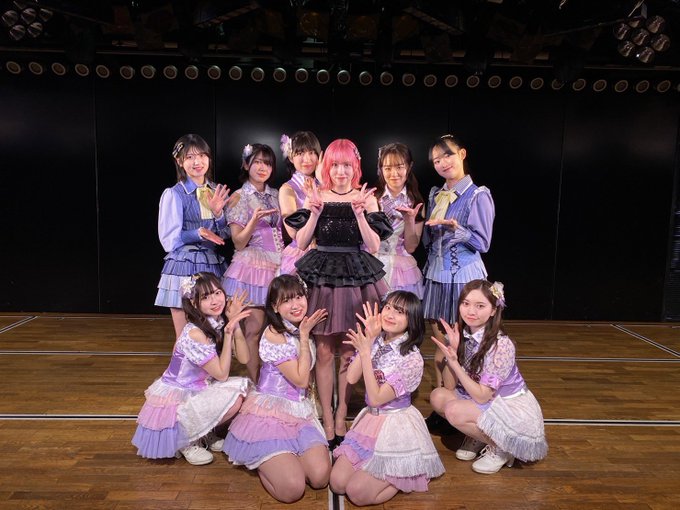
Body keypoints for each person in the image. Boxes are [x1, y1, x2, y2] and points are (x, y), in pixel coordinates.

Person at [285, 138, 393, 448]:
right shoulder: (316, 195)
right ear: (327, 167)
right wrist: (314, 212)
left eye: (346, 165)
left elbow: (374, 245)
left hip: (355, 277)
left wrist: (359, 214)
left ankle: (342, 413)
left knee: (348, 351)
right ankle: (328, 419)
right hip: (323, 277)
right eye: (335, 165)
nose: (341, 171)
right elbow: (301, 243)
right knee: (323, 351)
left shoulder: (366, 198)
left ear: (355, 166)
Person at [223, 275, 331, 503]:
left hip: (299, 412)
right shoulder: (274, 335)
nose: (296, 305)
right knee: (292, 490)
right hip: (270, 414)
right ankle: (264, 460)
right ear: (275, 307)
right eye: (287, 300)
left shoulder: (300, 326)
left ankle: (287, 460)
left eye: (299, 297)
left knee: (320, 478)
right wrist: (304, 336)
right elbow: (301, 380)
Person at [331, 292, 445, 506]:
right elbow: (352, 377)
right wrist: (368, 340)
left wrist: (366, 354)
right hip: (370, 422)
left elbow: (376, 399)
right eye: (388, 307)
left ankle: (405, 474)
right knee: (337, 483)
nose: (390, 314)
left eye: (400, 312)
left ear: (412, 320)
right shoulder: (376, 340)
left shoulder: (412, 359)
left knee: (357, 493)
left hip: (395, 425)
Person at [429, 279, 548, 474]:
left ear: (493, 310)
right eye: (466, 303)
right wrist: (452, 354)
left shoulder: (501, 345)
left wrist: (455, 363)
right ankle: (480, 436)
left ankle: (501, 448)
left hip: (507, 406)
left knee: (454, 411)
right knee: (438, 396)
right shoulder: (462, 335)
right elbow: (449, 386)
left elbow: (483, 396)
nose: (471, 311)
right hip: (482, 399)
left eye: (480, 306)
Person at [132, 272, 251, 465]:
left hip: (199, 387)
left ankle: (203, 432)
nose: (215, 301)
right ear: (194, 304)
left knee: (241, 394)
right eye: (206, 297)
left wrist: (235, 324)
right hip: (180, 395)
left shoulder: (215, 322)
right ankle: (187, 440)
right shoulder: (195, 333)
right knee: (236, 397)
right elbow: (222, 374)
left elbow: (244, 359)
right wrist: (229, 333)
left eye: (217, 293)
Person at [421, 133, 495, 431]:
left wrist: (457, 229)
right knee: (440, 345)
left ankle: (458, 407)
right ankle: (442, 406)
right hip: (436, 276)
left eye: (447, 155)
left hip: (463, 278)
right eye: (436, 160)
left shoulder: (478, 195)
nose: (442, 163)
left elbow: (483, 242)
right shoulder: (435, 194)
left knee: (460, 347)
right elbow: (429, 240)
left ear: (462, 154)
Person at [155, 134, 231, 338]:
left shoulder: (216, 191)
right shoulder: (174, 193)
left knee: (213, 333)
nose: (197, 162)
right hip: (183, 265)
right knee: (184, 336)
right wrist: (197, 233)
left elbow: (225, 234)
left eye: (202, 155)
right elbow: (169, 239)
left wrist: (218, 215)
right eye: (190, 157)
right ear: (179, 161)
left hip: (212, 263)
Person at [222, 143, 283, 381]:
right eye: (257, 162)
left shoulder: (276, 194)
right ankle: (256, 383)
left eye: (267, 163)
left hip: (279, 265)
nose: (262, 167)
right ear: (246, 165)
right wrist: (253, 221)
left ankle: (273, 381)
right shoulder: (239, 197)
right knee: (254, 329)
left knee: (276, 330)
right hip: (252, 268)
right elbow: (238, 242)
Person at [374, 143, 425, 298]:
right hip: (372, 263)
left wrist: (409, 220)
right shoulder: (372, 198)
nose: (393, 173)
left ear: (409, 167)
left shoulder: (416, 202)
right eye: (388, 168)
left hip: (401, 269)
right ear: (381, 169)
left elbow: (411, 247)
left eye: (399, 167)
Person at [278, 131, 323, 275]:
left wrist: (322, 181)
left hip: (328, 252)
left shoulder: (325, 184)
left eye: (312, 152)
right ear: (291, 157)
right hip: (301, 255)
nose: (307, 159)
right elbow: (293, 232)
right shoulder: (288, 189)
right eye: (300, 153)